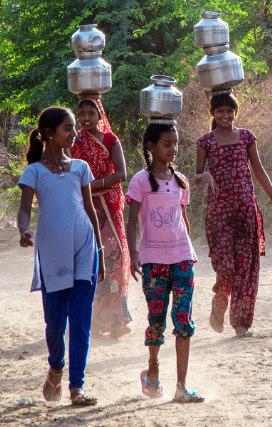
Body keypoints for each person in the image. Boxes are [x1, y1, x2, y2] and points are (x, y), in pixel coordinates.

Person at [17, 106, 105, 406]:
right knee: (55, 323)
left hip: (84, 248)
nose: (74, 133)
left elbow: (90, 210)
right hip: (52, 253)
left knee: (80, 321)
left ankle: (77, 386)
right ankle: (56, 366)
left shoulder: (80, 168)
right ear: (48, 134)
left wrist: (100, 250)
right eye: (68, 128)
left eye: (73, 128)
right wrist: (24, 230)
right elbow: (24, 210)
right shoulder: (34, 172)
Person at [195, 92, 272, 338]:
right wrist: (203, 175)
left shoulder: (247, 137)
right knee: (226, 267)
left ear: (236, 112)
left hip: (246, 210)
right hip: (219, 214)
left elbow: (259, 171)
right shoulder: (205, 142)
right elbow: (197, 177)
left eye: (230, 111)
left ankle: (241, 324)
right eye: (220, 111)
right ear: (213, 113)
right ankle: (219, 302)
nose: (225, 115)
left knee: (247, 269)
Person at [126, 123, 204, 403]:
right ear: (151, 146)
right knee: (156, 320)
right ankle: (153, 369)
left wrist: (189, 251)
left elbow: (182, 219)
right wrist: (133, 253)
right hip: (153, 262)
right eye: (167, 144)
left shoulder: (180, 181)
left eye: (175, 144)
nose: (173, 149)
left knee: (183, 320)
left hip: (182, 258)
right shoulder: (140, 181)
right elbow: (132, 221)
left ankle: (181, 386)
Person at [71, 98, 131, 339]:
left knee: (115, 258)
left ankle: (116, 320)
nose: (86, 118)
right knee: (90, 259)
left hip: (109, 205)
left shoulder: (110, 140)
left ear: (100, 115)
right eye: (82, 113)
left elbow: (121, 173)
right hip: (85, 206)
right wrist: (86, 190)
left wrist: (93, 185)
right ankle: (93, 320)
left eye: (91, 113)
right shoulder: (74, 142)